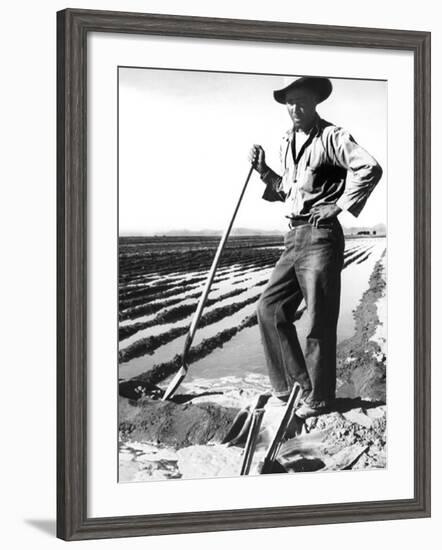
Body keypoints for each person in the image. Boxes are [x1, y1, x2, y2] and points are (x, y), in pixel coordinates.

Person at [249, 76, 383, 419]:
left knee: (317, 321)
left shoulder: (332, 136)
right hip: (292, 236)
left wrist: (338, 206)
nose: (296, 108)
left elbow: (369, 167)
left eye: (302, 101)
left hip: (321, 236)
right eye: (290, 102)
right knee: (269, 308)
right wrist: (265, 172)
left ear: (315, 103)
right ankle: (293, 388)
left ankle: (319, 399)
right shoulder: (285, 141)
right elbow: (288, 191)